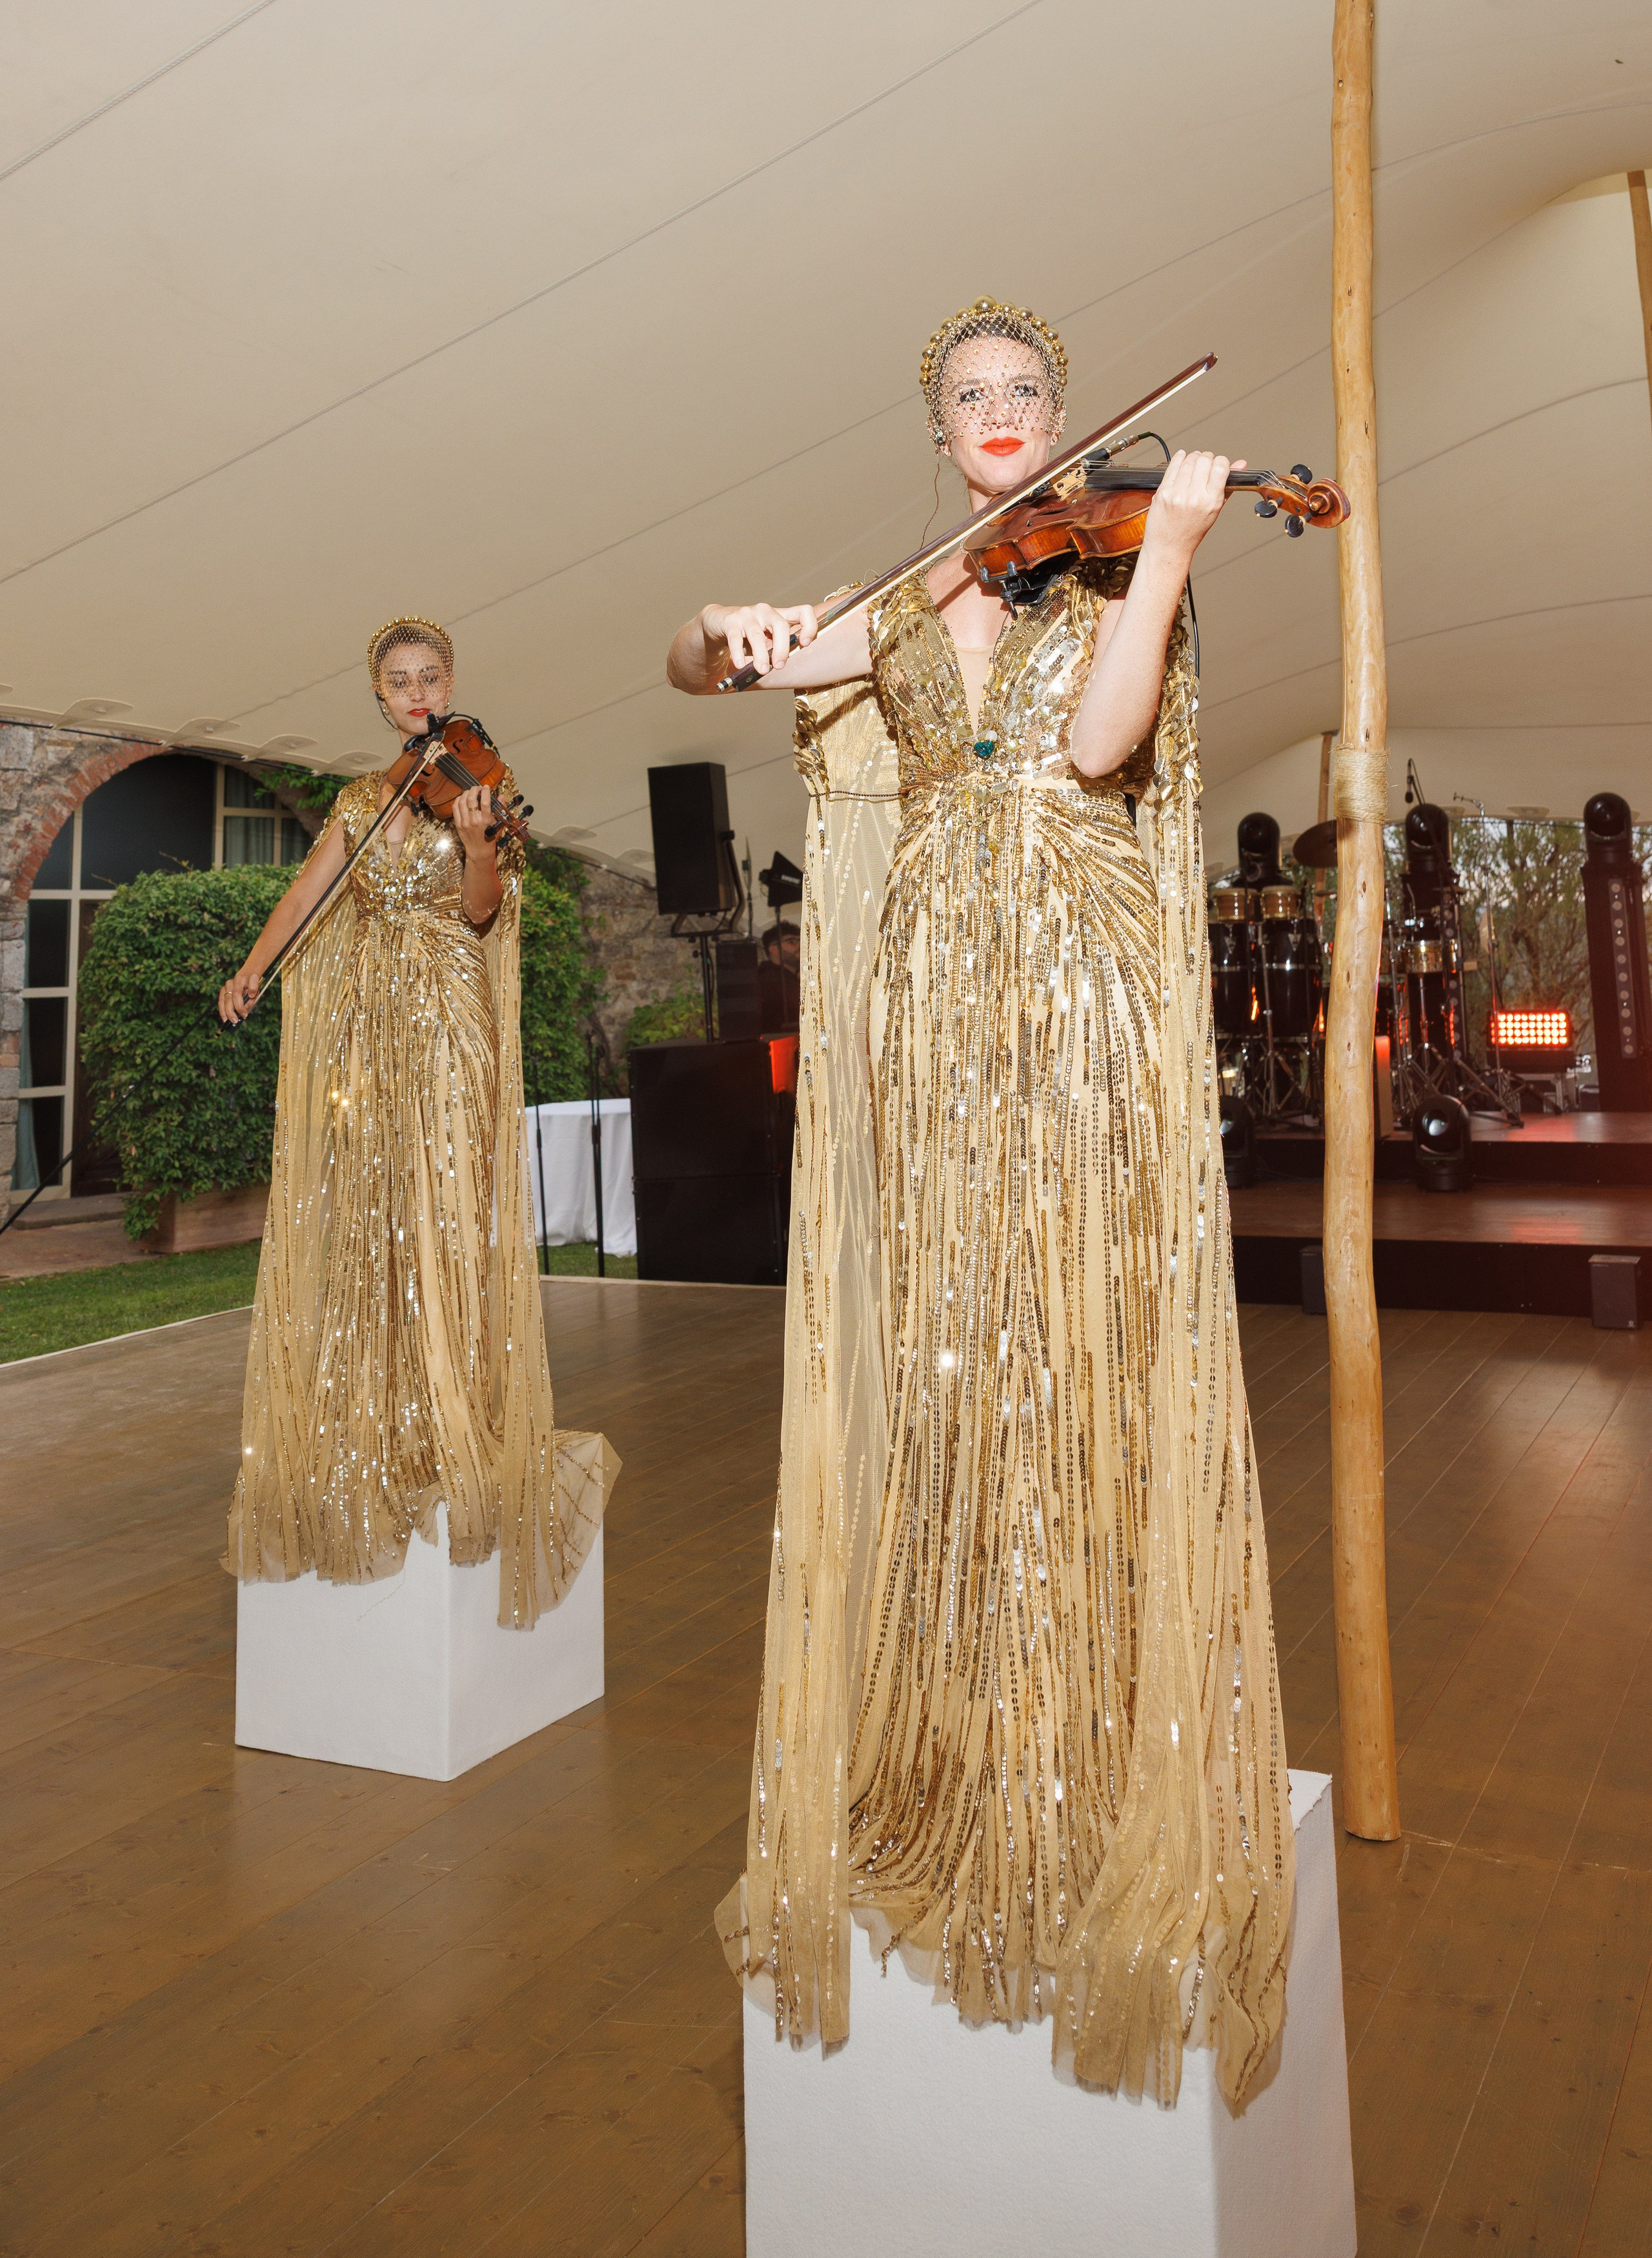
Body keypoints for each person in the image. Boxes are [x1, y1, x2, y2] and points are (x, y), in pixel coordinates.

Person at [667, 297, 1293, 2106]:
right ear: (938, 429)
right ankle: (955, 1731)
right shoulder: (899, 597)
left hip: (1074, 986)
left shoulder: (1104, 576)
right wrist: (729, 628)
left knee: (1078, 1339)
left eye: (1027, 391)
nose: (1003, 415)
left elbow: (1101, 749)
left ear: (1064, 413)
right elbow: (712, 667)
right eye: (971, 396)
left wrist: (1168, 546)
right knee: (950, 1350)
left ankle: (1102, 1746)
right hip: (932, 994)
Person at [219, 618, 612, 1628]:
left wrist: (481, 840)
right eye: (400, 681)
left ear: (451, 682)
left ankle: (456, 1424)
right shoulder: (362, 796)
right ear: (381, 696)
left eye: (431, 676)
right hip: (369, 1030)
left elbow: (483, 912)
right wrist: (256, 966)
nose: (417, 691)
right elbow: (310, 893)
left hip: (446, 1017)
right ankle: (390, 1420)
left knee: (440, 1211)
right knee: (373, 1213)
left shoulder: (479, 783)